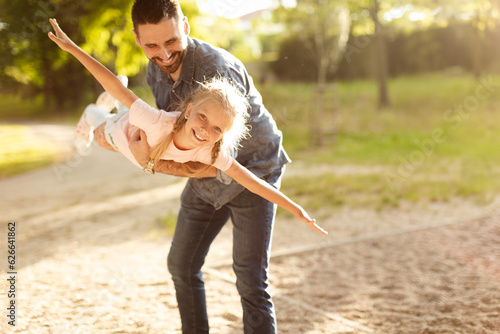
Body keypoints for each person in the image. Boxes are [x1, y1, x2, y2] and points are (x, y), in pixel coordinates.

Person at [90, 0, 314, 332]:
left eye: (171, 41)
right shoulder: (156, 70)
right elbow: (170, 136)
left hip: (254, 170)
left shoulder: (216, 72)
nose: (164, 54)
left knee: (250, 279)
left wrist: (148, 162)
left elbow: (216, 164)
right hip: (209, 173)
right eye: (152, 45)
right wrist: (118, 138)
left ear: (186, 28)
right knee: (181, 265)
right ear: (138, 39)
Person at [48, 17, 328, 232]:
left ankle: (114, 105)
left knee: (129, 109)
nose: (206, 130)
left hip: (136, 126)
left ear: (224, 135)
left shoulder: (211, 152)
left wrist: (296, 209)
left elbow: (254, 183)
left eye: (218, 129)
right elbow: (111, 81)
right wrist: (72, 48)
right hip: (121, 131)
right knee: (103, 125)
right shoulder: (159, 123)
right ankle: (92, 112)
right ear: (189, 109)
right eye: (203, 118)